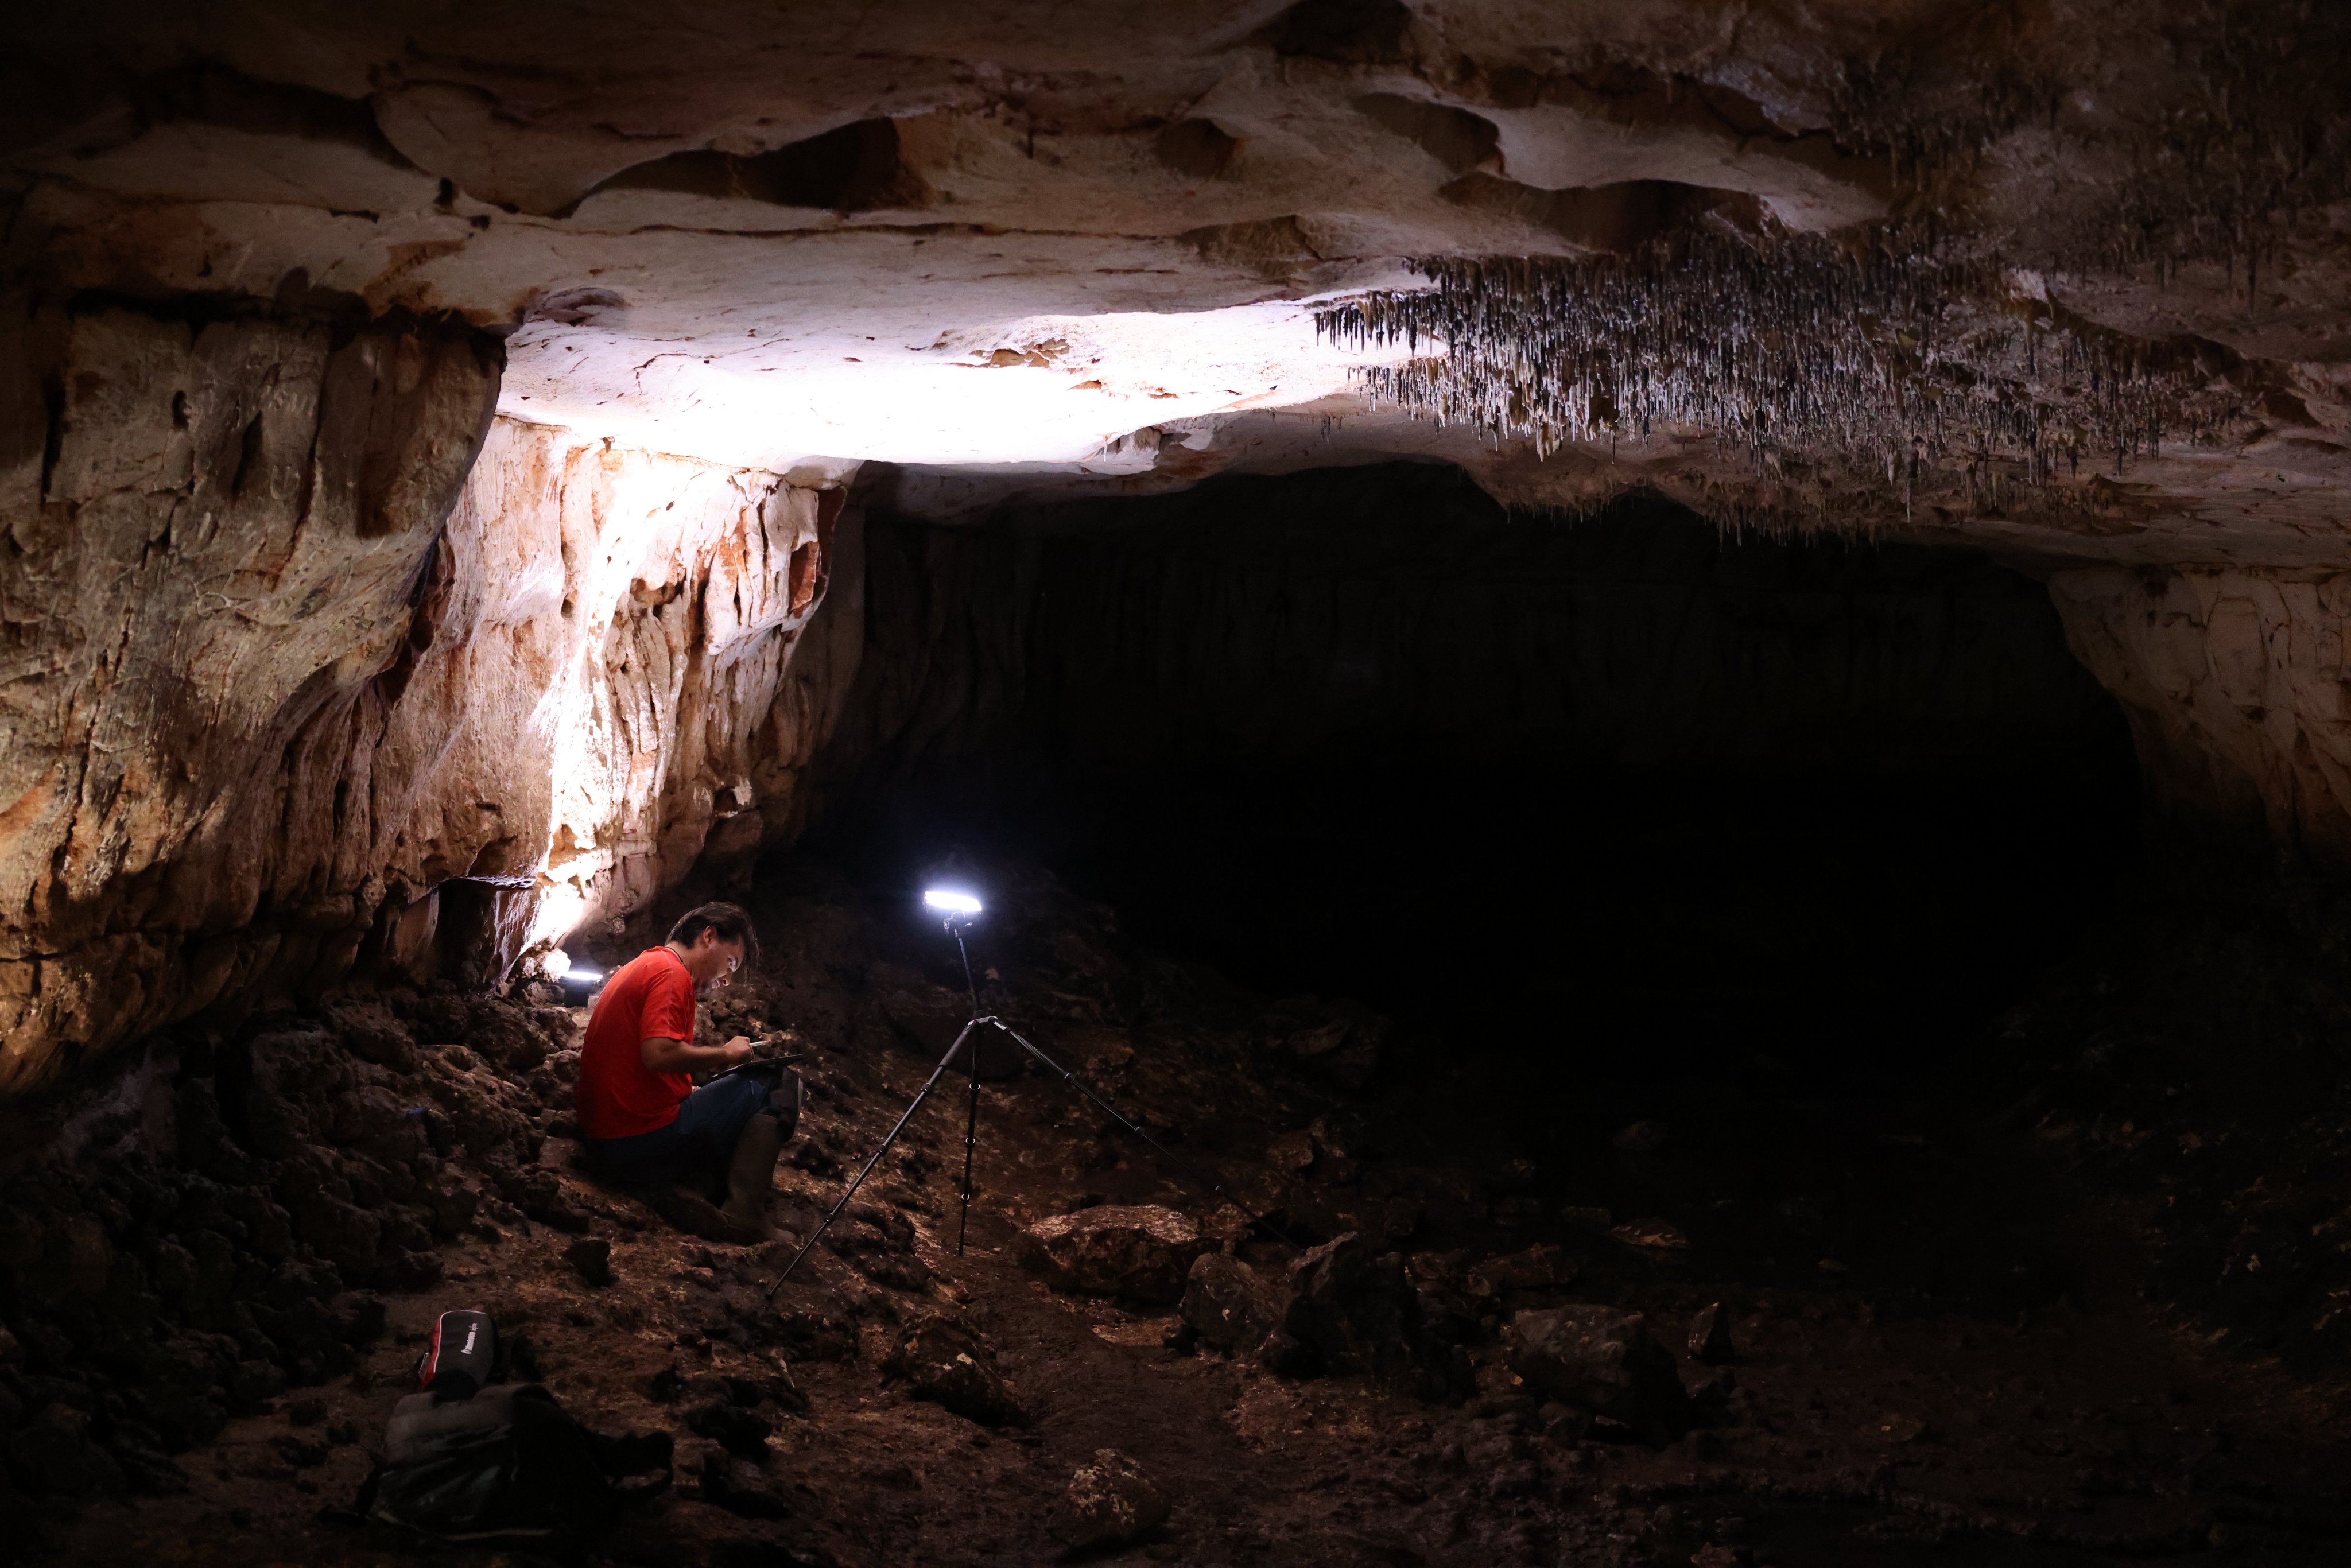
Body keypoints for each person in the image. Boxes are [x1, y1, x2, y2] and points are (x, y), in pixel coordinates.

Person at [575, 902, 799, 1243]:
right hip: (636, 1143)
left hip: (607, 1139)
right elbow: (659, 1054)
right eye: (730, 963)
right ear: (709, 936)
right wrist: (726, 1053)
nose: (726, 979)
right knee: (779, 1082)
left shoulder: (647, 963)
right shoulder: (671, 974)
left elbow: (641, 1063)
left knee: (720, 1093)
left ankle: (701, 1188)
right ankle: (745, 1214)